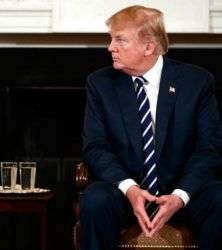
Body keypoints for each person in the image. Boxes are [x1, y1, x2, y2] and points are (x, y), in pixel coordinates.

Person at [81, 5, 222, 250]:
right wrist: (130, 189)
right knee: (95, 199)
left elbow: (208, 148)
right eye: (111, 39)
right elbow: (95, 147)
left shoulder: (197, 82)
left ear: (149, 47)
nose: (110, 47)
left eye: (120, 40)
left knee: (220, 198)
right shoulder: (100, 83)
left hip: (182, 192)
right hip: (126, 194)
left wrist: (180, 196)